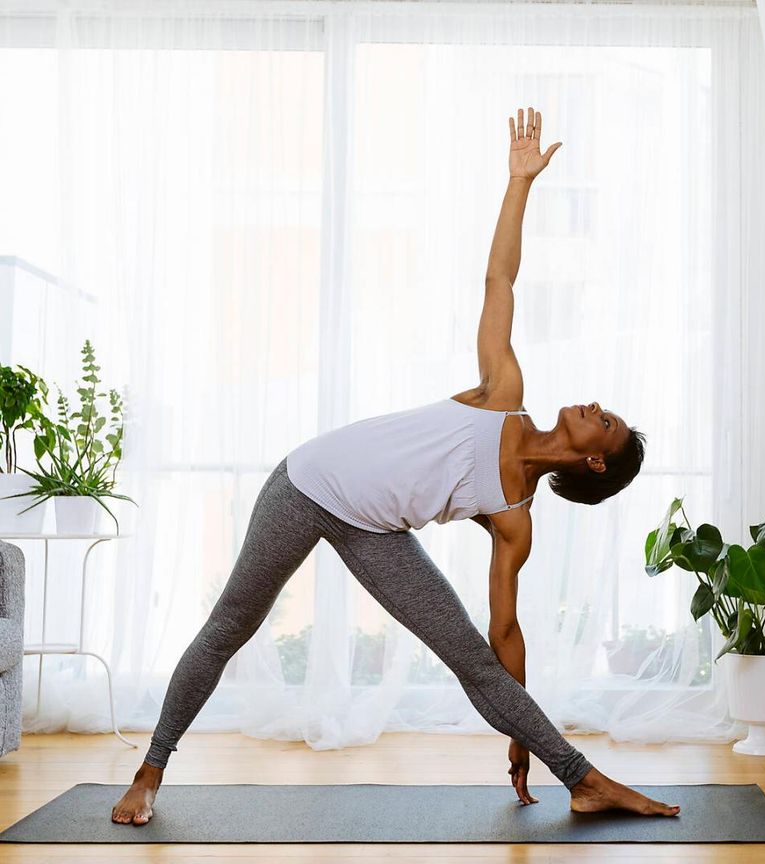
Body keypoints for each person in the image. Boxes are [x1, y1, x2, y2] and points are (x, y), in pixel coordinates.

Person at [112, 106, 680, 825]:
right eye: (601, 405)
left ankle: (583, 779)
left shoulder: (514, 521)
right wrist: (519, 184)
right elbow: (500, 281)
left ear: (596, 460)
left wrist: (519, 728)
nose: (594, 405)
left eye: (605, 419)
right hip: (308, 484)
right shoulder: (503, 397)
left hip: (374, 530)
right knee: (231, 625)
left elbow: (504, 635)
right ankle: (149, 771)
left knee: (470, 657)